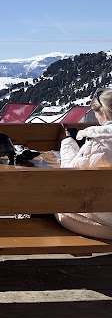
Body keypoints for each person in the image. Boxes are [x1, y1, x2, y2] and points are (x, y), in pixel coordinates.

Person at [55, 88, 112, 238]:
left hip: (106, 222)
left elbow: (69, 176)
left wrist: (68, 143)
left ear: (104, 113)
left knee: (53, 202)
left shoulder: (99, 143)